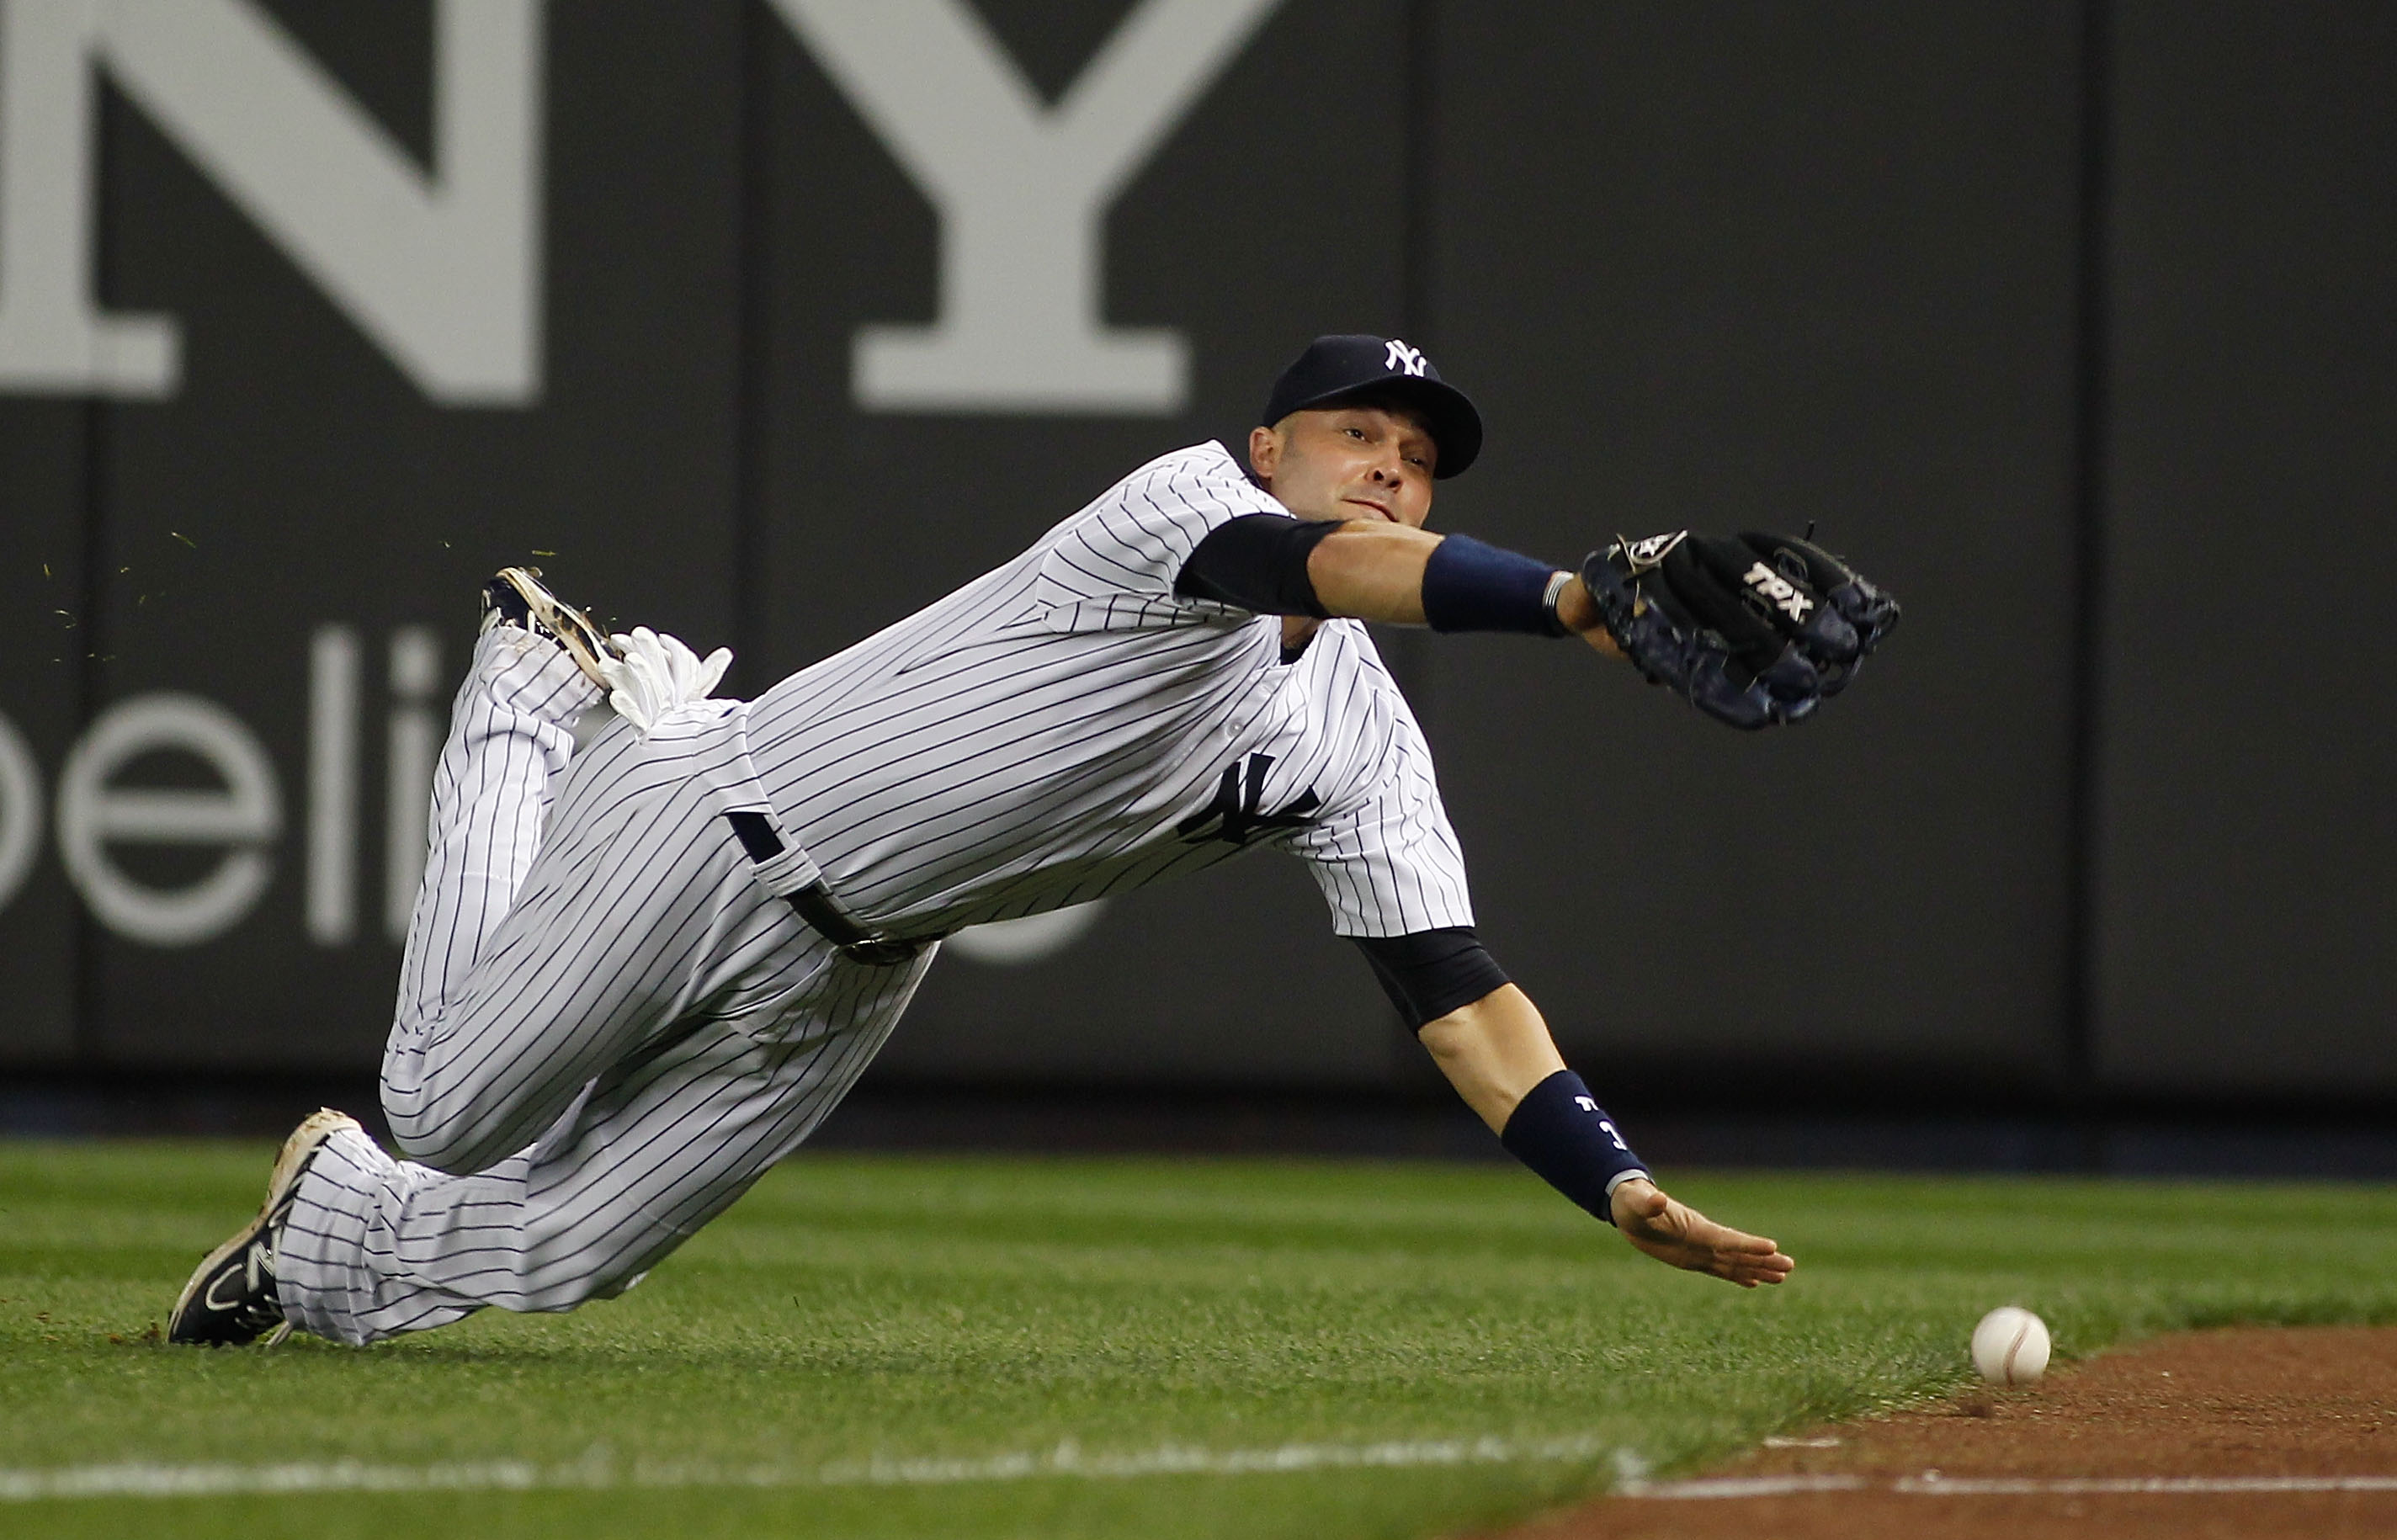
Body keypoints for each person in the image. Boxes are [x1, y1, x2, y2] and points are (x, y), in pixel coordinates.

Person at [169, 334, 1838, 1349]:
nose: (1388, 477)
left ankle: (328, 1241)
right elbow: (1327, 571)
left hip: (858, 971)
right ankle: (536, 690)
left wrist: (1612, 1184)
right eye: (1358, 440)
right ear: (1275, 450)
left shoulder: (1362, 738)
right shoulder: (1186, 508)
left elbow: (1452, 988)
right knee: (450, 1109)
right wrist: (1562, 599)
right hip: (715, 824)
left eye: (1414, 465)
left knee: (563, 1254)